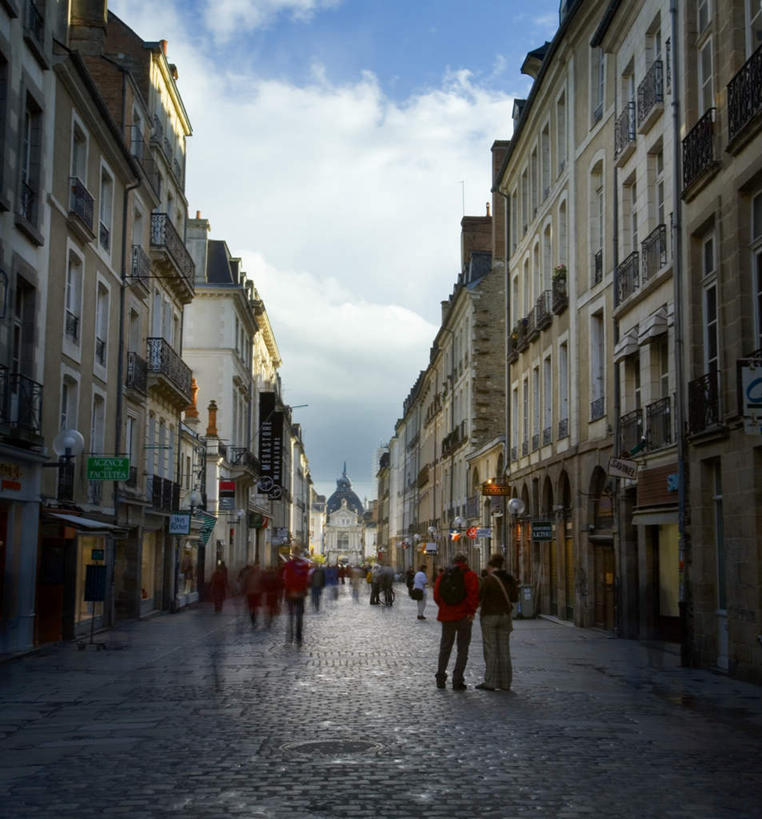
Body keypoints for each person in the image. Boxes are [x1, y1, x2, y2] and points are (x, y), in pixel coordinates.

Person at [433, 553, 479, 690]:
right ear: (466, 561)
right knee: (462, 648)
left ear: (452, 561)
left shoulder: (443, 575)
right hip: (464, 616)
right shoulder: (470, 575)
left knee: (445, 647)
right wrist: (471, 611)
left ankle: (440, 677)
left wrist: (444, 607)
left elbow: (436, 595)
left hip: (447, 615)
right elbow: (473, 595)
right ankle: (457, 679)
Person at [476, 553, 519, 692]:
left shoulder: (488, 580)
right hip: (505, 616)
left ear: (490, 566)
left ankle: (491, 681)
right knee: (504, 650)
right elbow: (514, 597)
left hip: (490, 616)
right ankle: (506, 682)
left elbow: (479, 596)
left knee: (491, 648)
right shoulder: (509, 579)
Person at [282, 548, 310, 644]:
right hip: (300, 594)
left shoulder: (289, 565)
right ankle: (298, 637)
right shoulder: (304, 565)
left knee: (291, 616)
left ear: (293, 554)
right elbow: (306, 580)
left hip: (291, 594)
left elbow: (286, 580)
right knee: (298, 616)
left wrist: (290, 591)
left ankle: (290, 636)